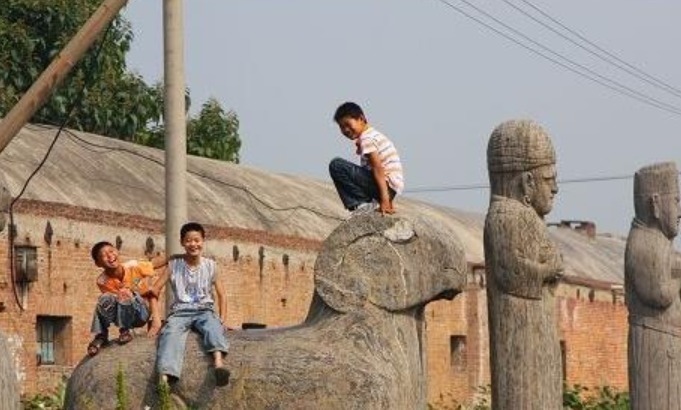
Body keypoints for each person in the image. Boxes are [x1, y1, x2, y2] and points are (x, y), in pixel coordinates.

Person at [153, 222, 231, 387]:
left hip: (204, 310)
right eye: (188, 240)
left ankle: (218, 365)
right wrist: (157, 320)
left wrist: (223, 320)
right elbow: (156, 290)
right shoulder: (174, 265)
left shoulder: (211, 265)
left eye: (197, 240)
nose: (193, 244)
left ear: (203, 241)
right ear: (182, 242)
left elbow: (222, 294)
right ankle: (165, 377)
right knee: (170, 334)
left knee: (213, 327)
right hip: (180, 311)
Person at [87, 241, 166, 357]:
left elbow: (156, 263)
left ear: (117, 251)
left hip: (141, 311)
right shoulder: (102, 281)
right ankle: (101, 335)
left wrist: (177, 255)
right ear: (98, 264)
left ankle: (124, 330)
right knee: (105, 298)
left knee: (124, 293)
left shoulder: (133, 266)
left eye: (111, 251)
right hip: (124, 310)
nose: (110, 256)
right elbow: (114, 301)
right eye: (104, 256)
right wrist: (146, 289)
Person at [329, 102, 404, 216]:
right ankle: (369, 202)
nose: (346, 130)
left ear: (361, 118)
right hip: (389, 188)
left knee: (336, 165)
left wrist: (385, 199)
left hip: (384, 187)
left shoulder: (367, 139)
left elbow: (377, 168)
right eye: (342, 127)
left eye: (348, 124)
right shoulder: (372, 135)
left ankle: (362, 204)